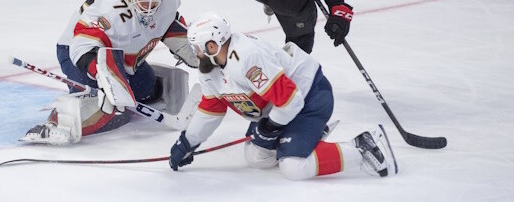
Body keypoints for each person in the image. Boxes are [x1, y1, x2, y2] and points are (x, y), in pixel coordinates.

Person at [169, 13, 397, 180]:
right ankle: (304, 137)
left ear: (212, 45)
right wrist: (188, 142)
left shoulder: (247, 58)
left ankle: (363, 147)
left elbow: (291, 100)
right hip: (280, 108)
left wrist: (270, 127)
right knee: (256, 157)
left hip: (309, 97)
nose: (194, 53)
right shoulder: (210, 68)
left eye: (197, 48)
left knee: (293, 167)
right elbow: (211, 110)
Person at [22, 0, 200, 145]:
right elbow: (82, 45)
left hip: (121, 55)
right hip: (78, 51)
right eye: (144, 3)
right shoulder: (111, 10)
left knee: (147, 87)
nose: (150, 9)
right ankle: (57, 122)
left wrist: (193, 46)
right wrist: (103, 77)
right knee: (109, 108)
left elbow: (166, 19)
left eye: (154, 3)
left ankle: (119, 88)